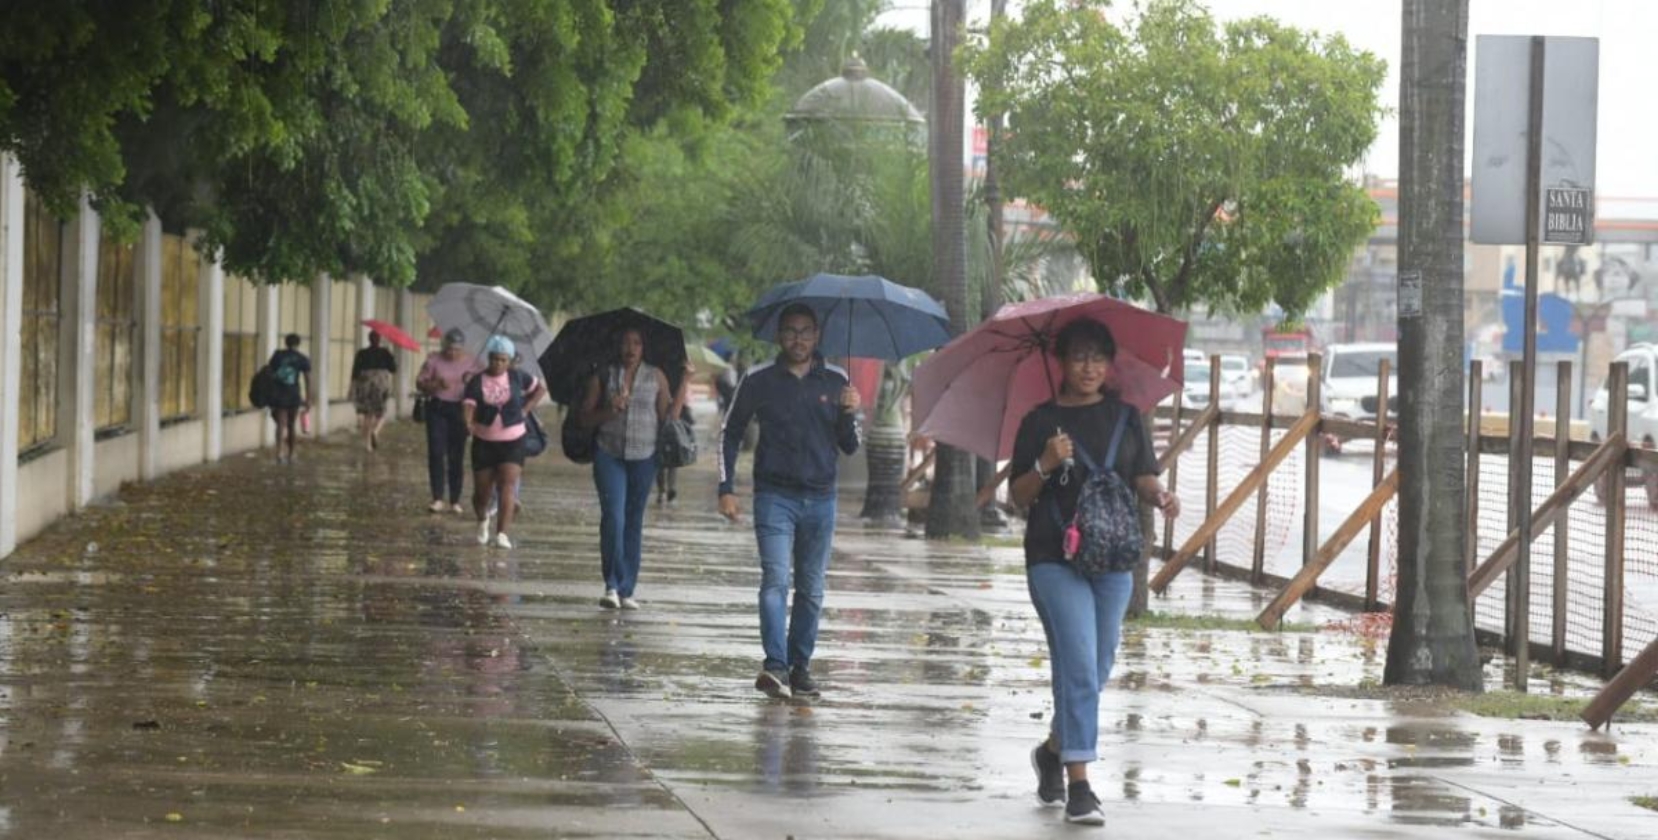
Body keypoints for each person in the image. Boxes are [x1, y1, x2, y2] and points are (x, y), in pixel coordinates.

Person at [1007, 318, 1179, 826]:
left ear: (1110, 364)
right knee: (1080, 664)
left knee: (1097, 666)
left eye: (1098, 358)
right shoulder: (1040, 422)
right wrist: (1044, 463)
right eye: (1079, 357)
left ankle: (1054, 748)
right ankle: (1080, 786)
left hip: (1112, 559)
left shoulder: (1127, 417)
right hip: (1051, 557)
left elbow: (1142, 476)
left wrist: (1160, 495)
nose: (1089, 367)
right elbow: (1018, 496)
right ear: (1061, 362)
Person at [718, 303, 861, 700]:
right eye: (790, 331)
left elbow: (850, 446)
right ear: (779, 336)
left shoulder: (837, 380)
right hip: (774, 497)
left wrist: (850, 412)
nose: (798, 339)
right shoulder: (759, 379)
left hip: (820, 500)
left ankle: (800, 667)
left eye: (805, 332)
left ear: (817, 337)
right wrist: (725, 487)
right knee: (776, 580)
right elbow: (730, 432)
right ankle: (775, 665)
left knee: (812, 589)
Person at [580, 328, 685, 610]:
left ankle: (627, 589)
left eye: (637, 342)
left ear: (644, 347)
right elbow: (585, 418)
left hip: (645, 456)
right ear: (617, 345)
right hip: (608, 453)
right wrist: (609, 410)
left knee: (633, 520)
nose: (631, 348)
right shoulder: (603, 375)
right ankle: (611, 584)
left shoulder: (657, 376)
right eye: (625, 342)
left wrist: (685, 380)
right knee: (613, 516)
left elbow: (669, 419)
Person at [462, 335, 545, 549]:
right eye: (494, 359)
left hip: (513, 440)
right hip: (484, 441)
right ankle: (482, 519)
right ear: (488, 358)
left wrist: (526, 409)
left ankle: (502, 534)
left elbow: (540, 388)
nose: (498, 364)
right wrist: (468, 422)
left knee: (507, 485)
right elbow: (469, 405)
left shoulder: (518, 377)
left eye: (503, 360)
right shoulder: (476, 380)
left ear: (509, 361)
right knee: (482, 492)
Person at [416, 329, 475, 513]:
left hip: (460, 410)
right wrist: (436, 384)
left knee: (456, 456)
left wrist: (470, 381)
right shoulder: (434, 360)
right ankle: (437, 497)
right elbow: (420, 384)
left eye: (456, 349)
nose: (452, 353)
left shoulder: (473, 362)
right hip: (438, 408)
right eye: (449, 349)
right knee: (436, 452)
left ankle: (455, 499)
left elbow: (482, 386)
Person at [266, 333, 313, 465]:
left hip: (279, 394)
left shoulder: (278, 356)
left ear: (286, 343)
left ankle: (279, 452)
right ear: (298, 344)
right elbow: (308, 379)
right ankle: (292, 453)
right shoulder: (302, 358)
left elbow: (269, 373)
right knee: (292, 425)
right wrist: (309, 398)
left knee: (280, 424)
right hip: (293, 395)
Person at [656, 364, 697, 505]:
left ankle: (668, 490)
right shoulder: (661, 378)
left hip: (676, 423)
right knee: (663, 458)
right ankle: (664, 490)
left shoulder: (682, 381)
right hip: (663, 422)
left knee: (671, 457)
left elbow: (686, 404)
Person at [350, 331, 398, 452]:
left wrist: (352, 388)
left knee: (367, 414)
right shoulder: (385, 352)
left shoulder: (361, 353)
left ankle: (367, 445)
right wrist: (390, 357)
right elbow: (393, 369)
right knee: (381, 412)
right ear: (379, 339)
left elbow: (355, 371)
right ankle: (375, 431)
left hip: (365, 383)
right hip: (380, 383)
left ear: (369, 339)